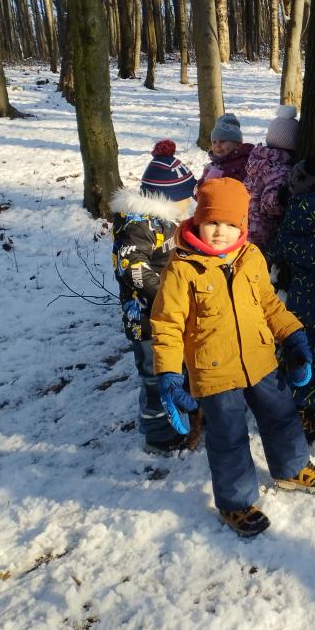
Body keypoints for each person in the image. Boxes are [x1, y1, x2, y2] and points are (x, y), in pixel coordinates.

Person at [151, 177, 315, 537]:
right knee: (228, 437)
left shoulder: (251, 257)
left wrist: (294, 335)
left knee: (282, 416)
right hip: (215, 373)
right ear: (198, 221)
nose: (220, 232)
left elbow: (268, 305)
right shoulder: (182, 268)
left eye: (230, 224)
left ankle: (292, 469)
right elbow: (167, 327)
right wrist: (170, 375)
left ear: (243, 225)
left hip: (261, 360)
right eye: (212, 222)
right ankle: (236, 502)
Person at [110, 140, 197, 454]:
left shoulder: (166, 221)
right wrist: (166, 294)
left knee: (175, 367)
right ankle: (158, 434)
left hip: (169, 318)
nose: (191, 200)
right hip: (146, 320)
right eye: (187, 195)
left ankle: (181, 415)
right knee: (154, 375)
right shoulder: (139, 226)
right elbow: (131, 267)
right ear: (168, 197)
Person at [264, 157, 315, 443]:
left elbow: (275, 250)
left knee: (307, 355)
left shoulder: (289, 218)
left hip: (300, 302)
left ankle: (303, 411)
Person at [244, 105, 298, 248]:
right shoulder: (281, 170)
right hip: (262, 227)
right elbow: (270, 204)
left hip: (244, 218)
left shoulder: (257, 160)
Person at [196, 113, 253, 190]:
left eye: (222, 141)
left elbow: (246, 189)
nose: (217, 145)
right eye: (214, 142)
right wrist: (202, 184)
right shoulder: (211, 167)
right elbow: (199, 193)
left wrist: (221, 177)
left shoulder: (246, 164)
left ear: (238, 145)